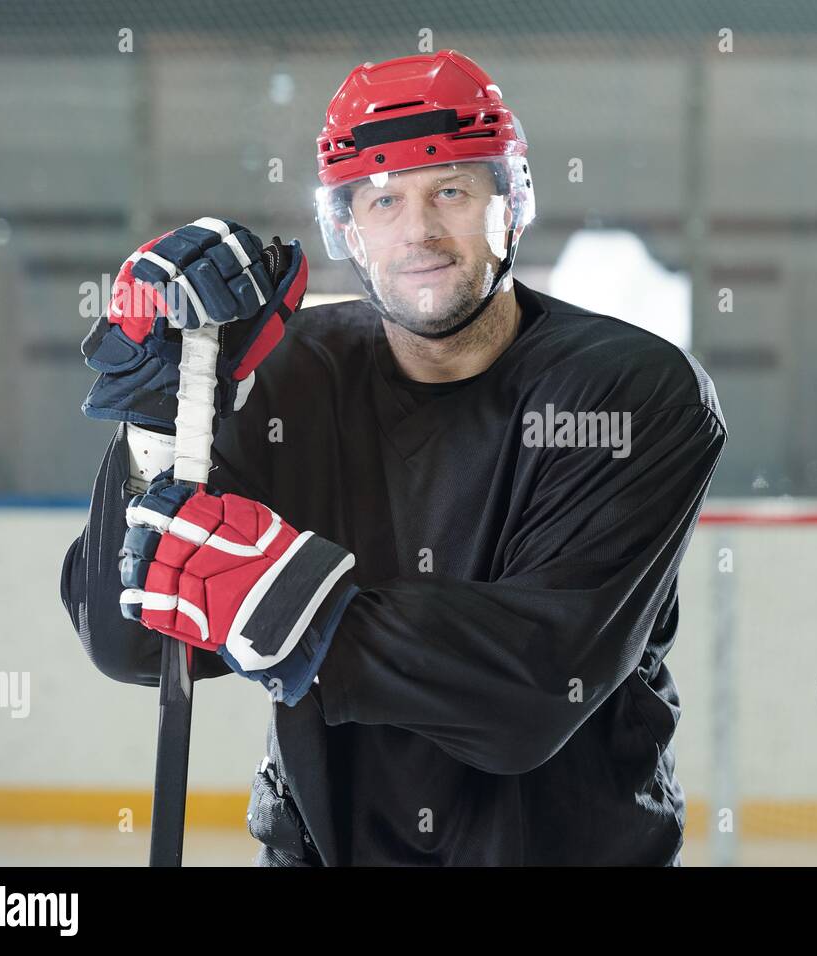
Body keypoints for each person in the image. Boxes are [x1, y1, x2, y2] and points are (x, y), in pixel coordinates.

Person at [61, 48, 725, 865]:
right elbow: (130, 640)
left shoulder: (629, 394)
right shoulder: (284, 377)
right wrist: (160, 422)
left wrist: (295, 609)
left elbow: (531, 692)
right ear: (344, 228)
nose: (419, 230)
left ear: (512, 204)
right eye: (382, 199)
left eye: (452, 190)